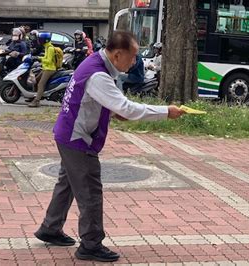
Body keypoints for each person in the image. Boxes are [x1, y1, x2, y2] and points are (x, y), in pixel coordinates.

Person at [34, 31, 185, 262]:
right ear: (117, 55)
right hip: (77, 138)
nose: (134, 62)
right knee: (90, 191)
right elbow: (128, 108)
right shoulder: (99, 75)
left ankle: (50, 228)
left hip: (68, 132)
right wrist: (166, 112)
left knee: (68, 183)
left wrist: (114, 110)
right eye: (132, 57)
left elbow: (98, 100)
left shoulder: (95, 63)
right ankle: (91, 244)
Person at [28, 32, 56, 107]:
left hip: (50, 69)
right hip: (45, 68)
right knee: (35, 80)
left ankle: (37, 101)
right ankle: (35, 96)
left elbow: (49, 60)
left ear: (44, 40)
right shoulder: (46, 47)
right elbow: (45, 58)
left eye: (40, 39)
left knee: (41, 84)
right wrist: (38, 57)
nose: (38, 41)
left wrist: (39, 59)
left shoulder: (50, 48)